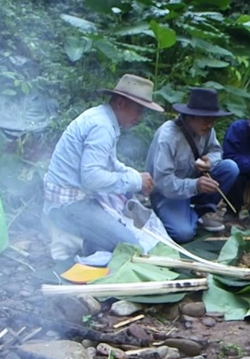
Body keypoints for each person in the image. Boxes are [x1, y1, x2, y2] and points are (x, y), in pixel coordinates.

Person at [44, 74, 162, 256]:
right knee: (132, 248)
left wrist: (135, 176)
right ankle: (69, 238)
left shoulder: (104, 119)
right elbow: (92, 178)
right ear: (121, 103)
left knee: (132, 231)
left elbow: (110, 163)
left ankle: (83, 237)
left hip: (79, 198)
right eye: (138, 110)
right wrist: (136, 181)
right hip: (69, 205)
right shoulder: (102, 126)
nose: (140, 117)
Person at [145, 88, 239, 243]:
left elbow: (216, 151)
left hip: (192, 184)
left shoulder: (207, 129)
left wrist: (210, 160)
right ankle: (177, 215)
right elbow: (163, 183)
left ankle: (200, 213)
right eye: (205, 119)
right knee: (183, 233)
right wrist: (196, 185)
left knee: (230, 168)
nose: (210, 124)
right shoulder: (168, 137)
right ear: (189, 116)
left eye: (212, 119)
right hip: (167, 193)